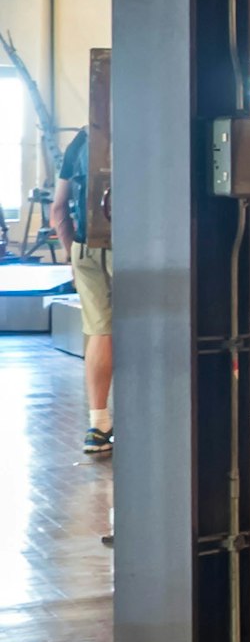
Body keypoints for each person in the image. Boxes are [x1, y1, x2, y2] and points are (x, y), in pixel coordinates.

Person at [59, 117, 106, 453]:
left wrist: (70, 256)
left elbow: (58, 209)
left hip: (83, 246)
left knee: (100, 331)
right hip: (128, 244)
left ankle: (98, 423)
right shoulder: (142, 128)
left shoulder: (79, 141)